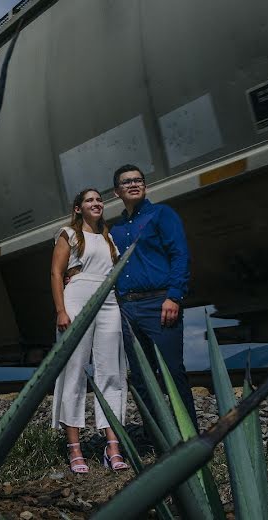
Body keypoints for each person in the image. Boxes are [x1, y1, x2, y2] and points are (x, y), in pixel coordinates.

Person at [109, 164, 198, 428]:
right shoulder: (115, 230)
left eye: (138, 180)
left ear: (145, 186)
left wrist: (174, 296)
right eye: (127, 182)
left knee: (172, 372)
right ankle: (157, 436)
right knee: (141, 378)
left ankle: (188, 434)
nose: (134, 184)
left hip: (159, 304)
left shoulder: (162, 214)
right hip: (127, 310)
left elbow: (180, 255)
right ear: (117, 192)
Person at [51, 188, 130, 474]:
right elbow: (56, 273)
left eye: (99, 200)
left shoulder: (108, 238)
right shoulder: (68, 234)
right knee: (74, 371)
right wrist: (61, 310)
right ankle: (74, 448)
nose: (97, 204)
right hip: (76, 299)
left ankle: (113, 447)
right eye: (90, 200)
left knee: (112, 372)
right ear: (77, 209)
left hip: (108, 302)